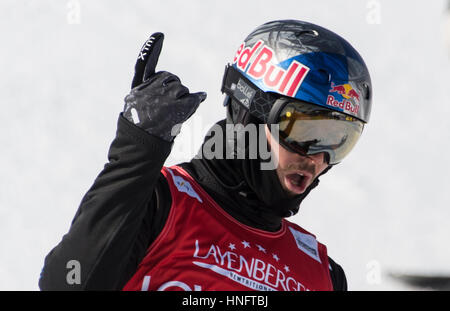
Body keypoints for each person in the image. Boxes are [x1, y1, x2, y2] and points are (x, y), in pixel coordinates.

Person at [39, 19, 372, 291]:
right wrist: (136, 150)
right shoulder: (160, 205)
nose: (317, 159)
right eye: (305, 133)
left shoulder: (323, 275)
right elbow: (68, 284)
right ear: (250, 114)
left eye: (338, 142)